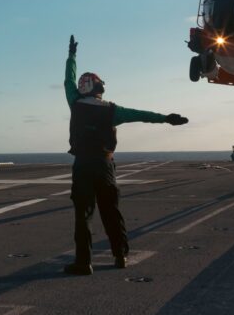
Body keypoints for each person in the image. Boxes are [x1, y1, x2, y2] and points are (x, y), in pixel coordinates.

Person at [63, 35, 188, 275]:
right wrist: (166, 118)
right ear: (99, 88)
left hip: (82, 166)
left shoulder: (75, 103)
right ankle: (120, 256)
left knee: (83, 215)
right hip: (104, 165)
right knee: (111, 211)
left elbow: (67, 79)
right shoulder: (113, 110)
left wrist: (71, 56)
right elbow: (141, 114)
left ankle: (83, 262)